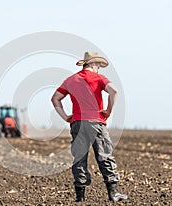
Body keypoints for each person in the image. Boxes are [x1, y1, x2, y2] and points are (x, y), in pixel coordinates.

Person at [51, 52, 128, 202]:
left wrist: (66, 116)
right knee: (104, 156)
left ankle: (80, 197)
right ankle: (113, 193)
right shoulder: (98, 78)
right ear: (93, 64)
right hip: (96, 122)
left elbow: (55, 99)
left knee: (79, 158)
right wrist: (108, 110)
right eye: (98, 66)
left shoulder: (70, 80)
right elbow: (114, 91)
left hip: (77, 123)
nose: (99, 69)